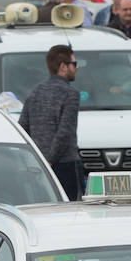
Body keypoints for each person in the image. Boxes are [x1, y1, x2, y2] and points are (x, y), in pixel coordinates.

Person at [18, 45, 82, 200]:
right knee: (71, 211)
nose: (77, 68)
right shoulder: (71, 94)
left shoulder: (35, 92)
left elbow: (22, 128)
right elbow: (64, 132)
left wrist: (40, 160)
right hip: (65, 164)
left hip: (37, 166)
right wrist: (50, 161)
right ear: (63, 67)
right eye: (74, 64)